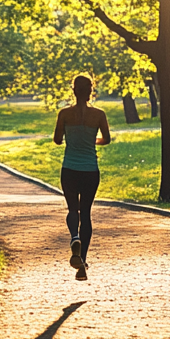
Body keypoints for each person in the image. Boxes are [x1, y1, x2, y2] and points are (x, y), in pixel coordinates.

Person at [52, 74, 111, 281]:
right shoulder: (99, 115)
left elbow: (57, 140)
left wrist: (71, 136)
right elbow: (106, 139)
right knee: (85, 213)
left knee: (72, 209)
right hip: (90, 170)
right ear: (90, 91)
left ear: (74, 91)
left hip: (70, 168)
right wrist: (91, 141)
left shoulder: (64, 114)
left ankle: (74, 237)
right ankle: (82, 262)